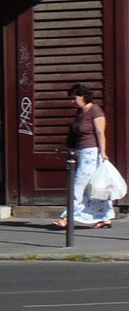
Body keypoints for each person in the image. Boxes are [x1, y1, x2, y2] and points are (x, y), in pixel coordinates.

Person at [55, 84, 114, 229]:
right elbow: (74, 132)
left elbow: (100, 133)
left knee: (77, 187)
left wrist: (103, 153)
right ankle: (106, 217)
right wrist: (63, 147)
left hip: (92, 154)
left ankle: (67, 218)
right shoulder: (81, 112)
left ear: (83, 97)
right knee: (93, 188)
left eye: (74, 98)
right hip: (82, 154)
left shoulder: (96, 112)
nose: (72, 102)